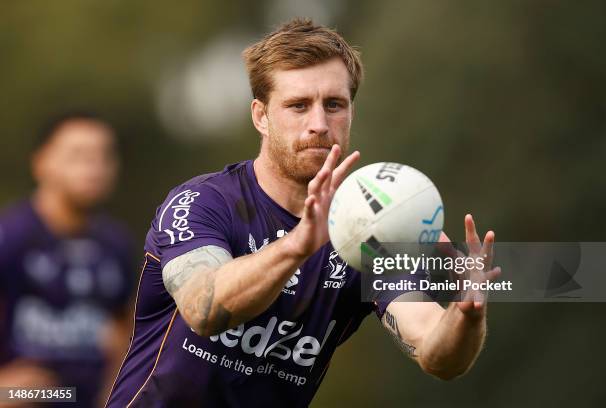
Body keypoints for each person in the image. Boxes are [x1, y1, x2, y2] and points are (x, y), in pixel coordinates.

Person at [106, 19, 499, 407]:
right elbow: (203, 308)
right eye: (298, 106)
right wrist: (298, 244)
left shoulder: (369, 231)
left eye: (334, 105)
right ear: (260, 116)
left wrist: (465, 316)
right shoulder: (202, 203)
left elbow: (435, 351)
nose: (319, 125)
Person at [0, 112, 135, 407]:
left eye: (104, 156)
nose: (94, 167)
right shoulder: (10, 237)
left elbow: (125, 335)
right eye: (78, 156)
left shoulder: (116, 244)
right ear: (40, 163)